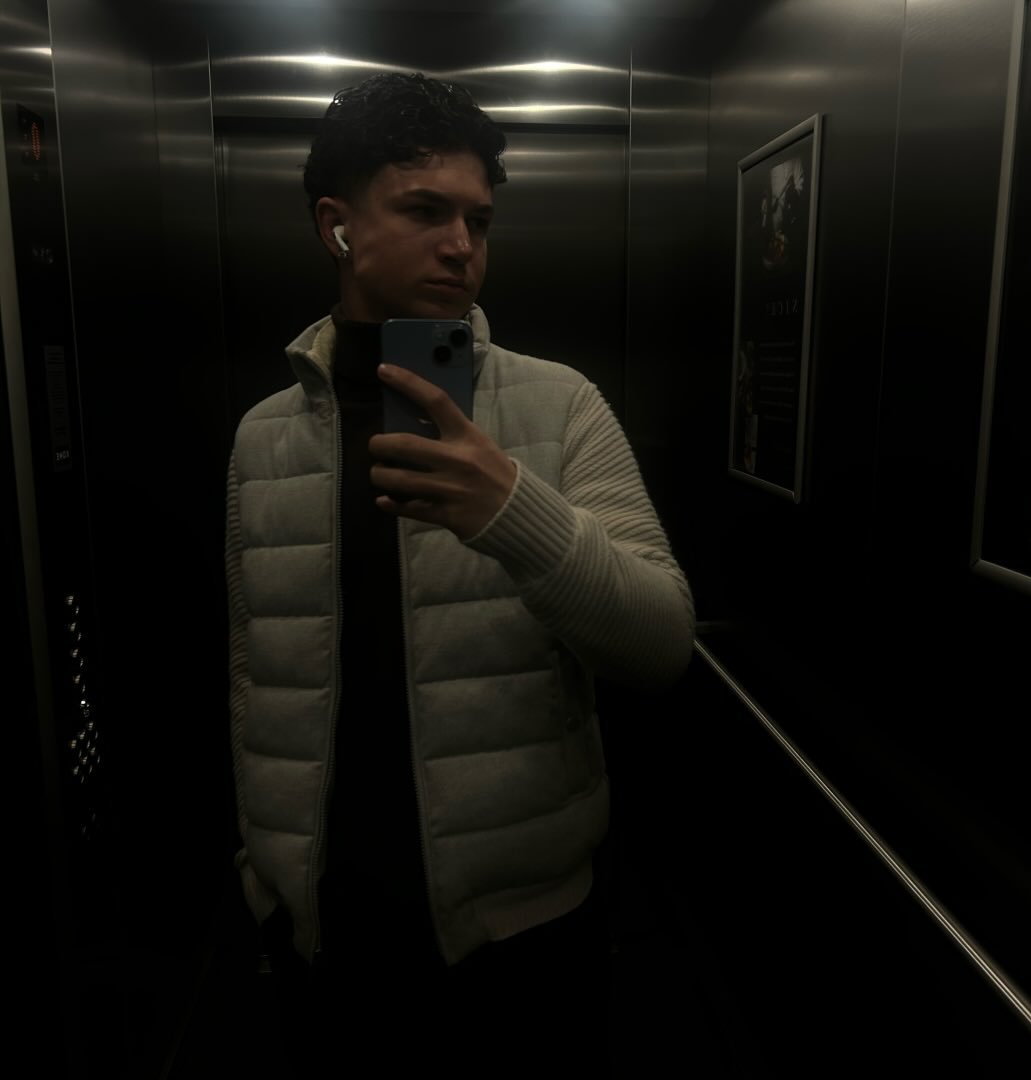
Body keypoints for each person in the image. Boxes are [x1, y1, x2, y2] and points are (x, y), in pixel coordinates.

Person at [225, 72, 695, 1077]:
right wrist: (265, 871)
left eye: (478, 221)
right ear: (337, 226)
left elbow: (662, 644)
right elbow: (255, 672)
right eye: (424, 211)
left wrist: (513, 512)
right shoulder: (261, 437)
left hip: (522, 938)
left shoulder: (561, 405)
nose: (461, 246)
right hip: (320, 933)